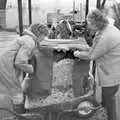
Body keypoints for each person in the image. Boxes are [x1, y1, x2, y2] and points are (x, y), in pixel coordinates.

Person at [70, 9, 120, 120]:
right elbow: (94, 49)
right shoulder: (105, 29)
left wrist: (76, 53)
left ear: (96, 23)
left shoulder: (105, 36)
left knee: (109, 98)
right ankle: (104, 113)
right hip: (111, 67)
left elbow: (91, 55)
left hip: (112, 72)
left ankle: (111, 117)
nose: (88, 27)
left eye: (89, 24)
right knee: (106, 97)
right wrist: (80, 47)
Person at [0, 23, 48, 116]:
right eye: (44, 36)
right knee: (17, 93)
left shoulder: (27, 38)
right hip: (6, 66)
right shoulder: (30, 42)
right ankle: (20, 115)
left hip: (5, 63)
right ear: (39, 34)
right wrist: (31, 69)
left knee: (14, 90)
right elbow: (19, 62)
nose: (44, 39)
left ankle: (17, 111)